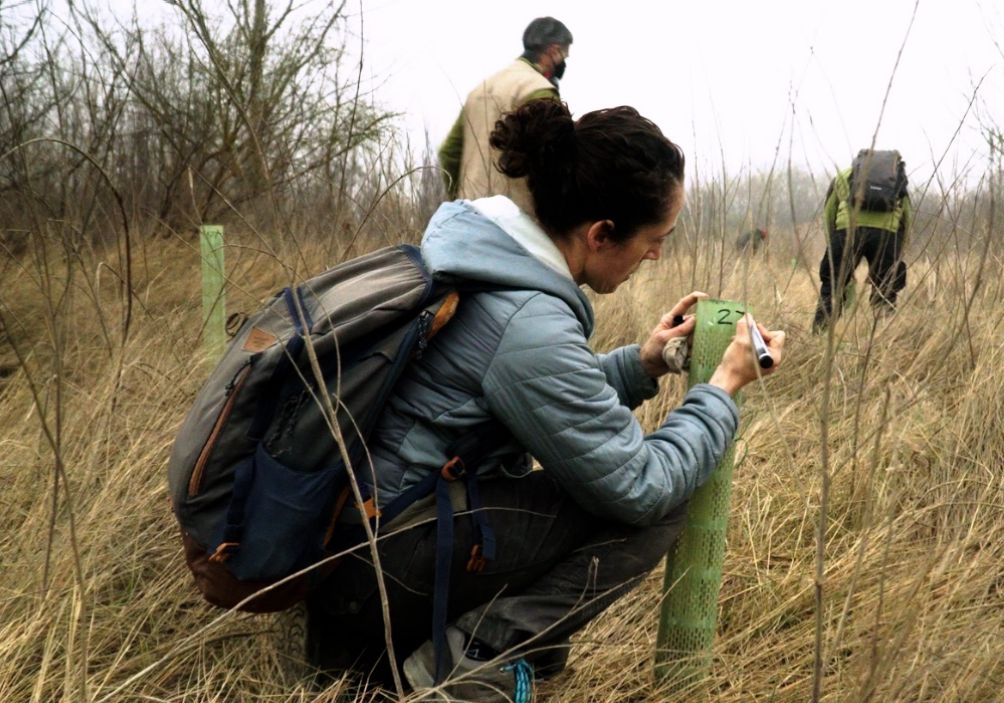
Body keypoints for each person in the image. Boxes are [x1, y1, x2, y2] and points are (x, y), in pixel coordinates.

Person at [306, 100, 786, 702]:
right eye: (654, 240)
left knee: (595, 481)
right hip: (385, 569)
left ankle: (475, 650)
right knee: (662, 503)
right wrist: (723, 388)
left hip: (359, 548)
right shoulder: (526, 321)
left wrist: (642, 363)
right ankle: (466, 663)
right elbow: (641, 485)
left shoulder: (486, 259)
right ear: (601, 233)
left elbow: (531, 394)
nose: (656, 256)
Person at [437, 17, 573, 216]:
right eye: (565, 55)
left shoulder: (480, 89)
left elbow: (448, 152)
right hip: (517, 220)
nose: (564, 63)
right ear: (553, 51)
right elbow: (554, 162)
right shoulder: (538, 90)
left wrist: (461, 197)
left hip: (468, 215)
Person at [812, 150, 912, 331]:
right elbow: (907, 218)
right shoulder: (896, 177)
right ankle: (883, 339)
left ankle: (820, 334)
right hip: (886, 235)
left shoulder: (845, 175)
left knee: (832, 287)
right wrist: (898, 250)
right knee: (886, 291)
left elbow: (829, 212)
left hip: (847, 231)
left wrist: (833, 243)